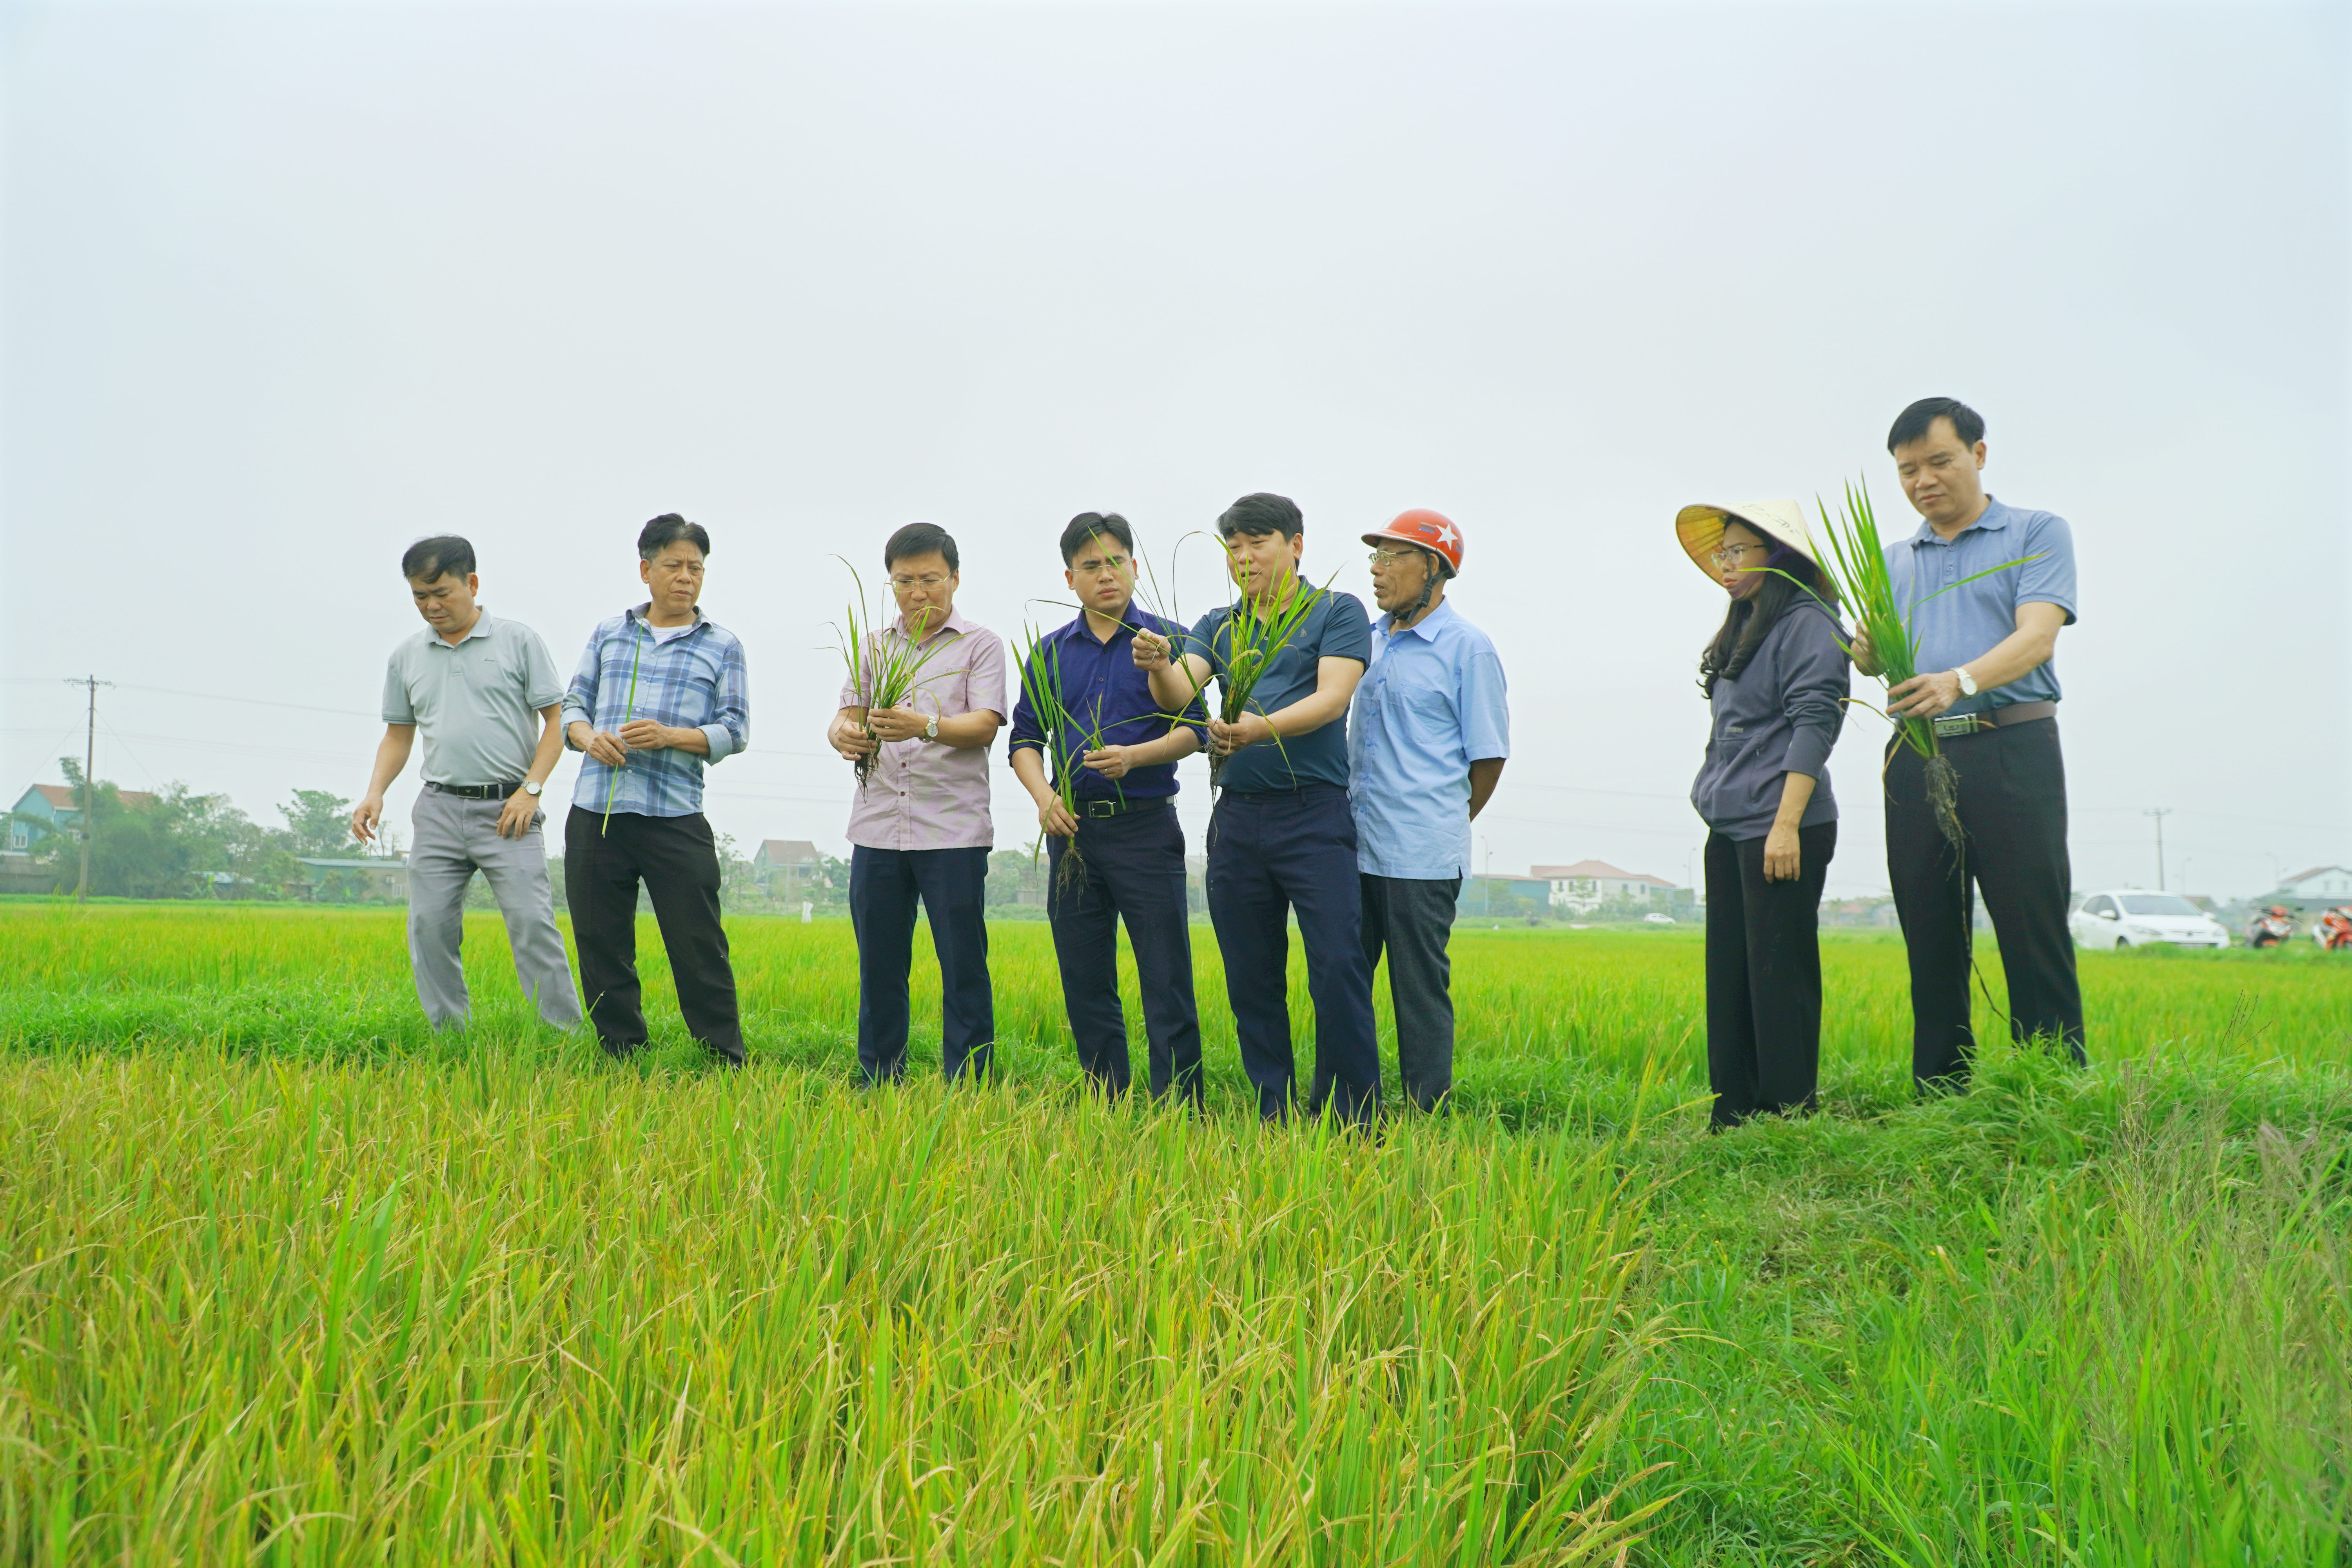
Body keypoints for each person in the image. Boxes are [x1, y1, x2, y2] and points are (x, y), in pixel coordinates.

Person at [1858, 397, 2083, 1089]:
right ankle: (1941, 1095)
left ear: (1978, 455)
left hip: (2010, 745)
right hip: (1915, 753)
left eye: (1939, 462)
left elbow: (2037, 637)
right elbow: (1875, 659)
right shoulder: (1891, 561)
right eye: (1907, 470)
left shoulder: (2036, 531)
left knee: (2031, 926)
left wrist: (1959, 680)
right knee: (1929, 930)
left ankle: (2050, 1090)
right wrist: (1865, 651)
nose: (1923, 481)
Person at [1133, 492, 1379, 1125]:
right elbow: (1179, 692)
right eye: (1233, 547)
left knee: (1338, 965)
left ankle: (1352, 1116)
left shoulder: (1336, 612)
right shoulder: (1219, 623)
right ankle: (1274, 1108)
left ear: (1295, 545)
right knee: (1251, 972)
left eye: (1257, 543)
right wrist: (1159, 664)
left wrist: (1256, 730)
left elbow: (1332, 699)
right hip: (1238, 818)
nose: (1244, 557)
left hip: (1314, 814)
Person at [1009, 512, 1208, 1103]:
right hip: (1072, 834)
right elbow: (1024, 740)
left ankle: (1180, 1106)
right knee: (1084, 975)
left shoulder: (1167, 641)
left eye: (1116, 561)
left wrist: (1135, 757)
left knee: (1166, 974)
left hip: (1146, 828)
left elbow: (1196, 731)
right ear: (1070, 578)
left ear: (1136, 567)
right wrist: (1044, 798)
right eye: (1091, 565)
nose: (1106, 574)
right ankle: (1106, 1099)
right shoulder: (1049, 652)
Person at [352, 535, 583, 1033]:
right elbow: (398, 734)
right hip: (438, 808)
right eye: (420, 596)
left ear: (472, 583)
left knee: (532, 923)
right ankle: (450, 1035)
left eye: (441, 593)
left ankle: (563, 1035)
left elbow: (557, 720)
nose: (431, 606)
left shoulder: (519, 641)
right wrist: (375, 792)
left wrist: (531, 789)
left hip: (508, 809)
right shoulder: (407, 656)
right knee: (429, 927)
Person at [1675, 500, 1849, 1128]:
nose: (1724, 564)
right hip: (1731, 825)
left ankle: (1789, 1114)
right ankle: (1734, 1112)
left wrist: (1784, 825)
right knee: (1731, 973)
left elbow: (1815, 724)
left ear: (1777, 556)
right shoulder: (1748, 624)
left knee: (1779, 973)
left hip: (1783, 825)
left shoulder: (1809, 623)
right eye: (1720, 553)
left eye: (1737, 552)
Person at [561, 514, 751, 1065]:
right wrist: (588, 737)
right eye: (674, 565)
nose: (686, 577)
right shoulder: (609, 634)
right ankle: (622, 1054)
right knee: (601, 942)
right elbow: (573, 707)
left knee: (698, 944)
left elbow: (735, 729)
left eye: (696, 568)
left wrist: (672, 736)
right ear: (646, 570)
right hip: (598, 810)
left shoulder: (722, 645)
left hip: (675, 816)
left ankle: (722, 1058)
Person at [829, 523, 1007, 1085]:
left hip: (951, 831)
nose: (917, 592)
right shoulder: (874, 646)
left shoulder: (980, 645)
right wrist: (843, 736)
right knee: (879, 966)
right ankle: (879, 1079)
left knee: (963, 965)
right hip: (878, 828)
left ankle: (970, 1084)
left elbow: (985, 726)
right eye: (904, 581)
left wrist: (923, 726)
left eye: (930, 579)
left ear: (955, 578)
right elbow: (847, 716)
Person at [1348, 510, 1509, 1112]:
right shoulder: (1364, 641)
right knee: (1344, 981)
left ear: (1433, 568)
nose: (1377, 570)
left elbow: (1488, 757)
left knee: (1418, 991)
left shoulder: (1468, 649)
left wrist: (1443, 821)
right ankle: (1349, 1103)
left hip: (1421, 852)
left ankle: (1426, 1111)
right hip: (1353, 842)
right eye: (1376, 557)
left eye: (1393, 557)